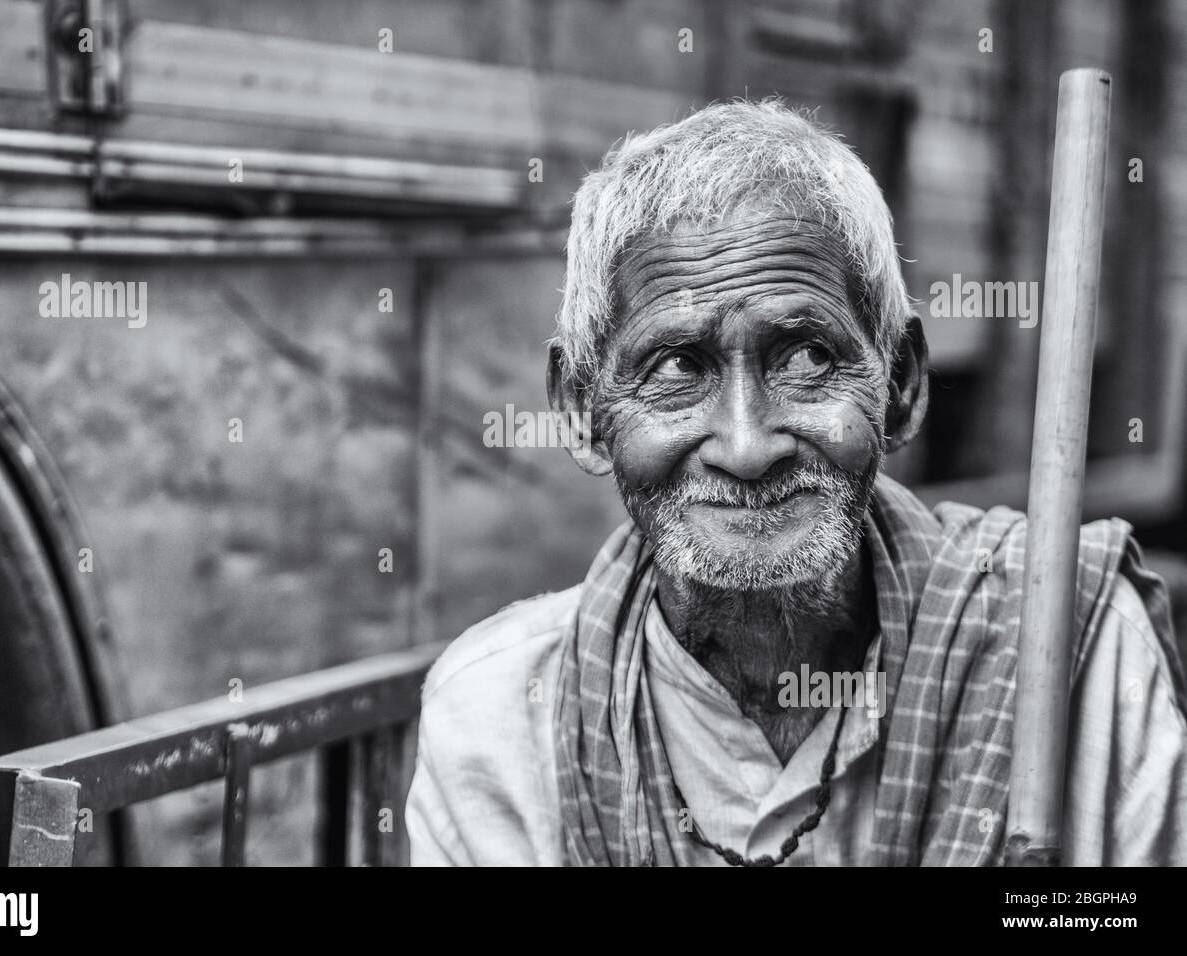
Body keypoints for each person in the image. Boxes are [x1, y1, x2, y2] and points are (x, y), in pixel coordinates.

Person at [405, 99, 1187, 866]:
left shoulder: (1072, 650)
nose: (748, 447)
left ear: (904, 384)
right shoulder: (498, 720)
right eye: (679, 367)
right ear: (581, 411)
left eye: (806, 357)